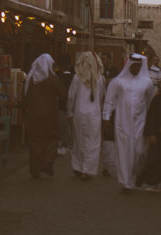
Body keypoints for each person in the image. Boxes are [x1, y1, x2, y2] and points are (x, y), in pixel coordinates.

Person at [103, 53, 156, 193]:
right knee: (123, 152)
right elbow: (110, 100)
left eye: (139, 66)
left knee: (138, 152)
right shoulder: (118, 81)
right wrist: (106, 118)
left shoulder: (147, 82)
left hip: (141, 122)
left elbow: (150, 101)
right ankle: (125, 183)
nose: (137, 68)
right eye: (134, 65)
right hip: (122, 122)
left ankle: (134, 175)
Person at [24, 53, 67, 179]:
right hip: (50, 116)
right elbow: (64, 94)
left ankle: (35, 169)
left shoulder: (31, 79)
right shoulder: (53, 79)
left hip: (33, 116)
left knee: (35, 141)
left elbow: (24, 96)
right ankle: (47, 163)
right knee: (52, 139)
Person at [68, 52, 105, 180]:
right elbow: (101, 98)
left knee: (79, 140)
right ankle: (87, 170)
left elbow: (71, 97)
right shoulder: (100, 78)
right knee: (92, 142)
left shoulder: (77, 77)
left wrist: (70, 112)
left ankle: (78, 166)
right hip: (94, 114)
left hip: (79, 113)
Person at [139, 73, 161, 191]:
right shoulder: (157, 98)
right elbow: (152, 116)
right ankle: (155, 181)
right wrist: (151, 133)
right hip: (157, 134)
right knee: (154, 159)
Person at [56, 54, 75, 155]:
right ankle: (70, 146)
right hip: (72, 107)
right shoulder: (74, 77)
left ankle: (62, 145)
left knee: (61, 126)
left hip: (60, 105)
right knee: (70, 127)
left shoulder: (57, 76)